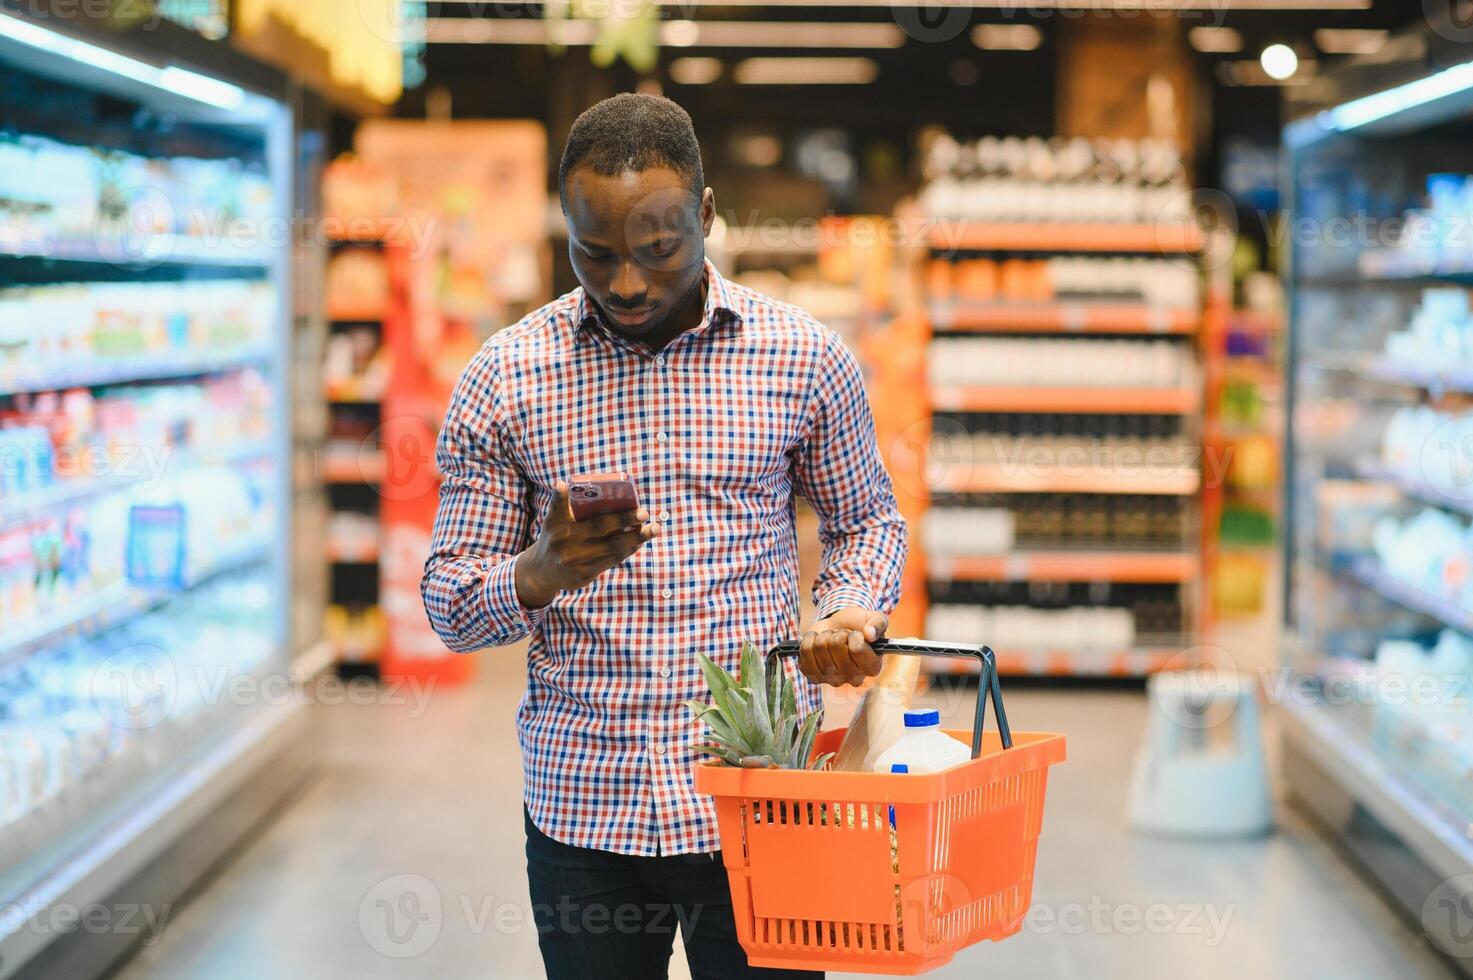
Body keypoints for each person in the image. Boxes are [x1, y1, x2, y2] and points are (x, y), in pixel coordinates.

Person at [421, 92, 908, 980]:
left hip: (761, 794)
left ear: (707, 214)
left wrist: (848, 608)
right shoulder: (505, 378)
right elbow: (451, 607)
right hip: (585, 808)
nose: (629, 284)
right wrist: (535, 573)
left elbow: (864, 519)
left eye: (659, 250)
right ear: (560, 227)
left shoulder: (803, 358)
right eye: (594, 255)